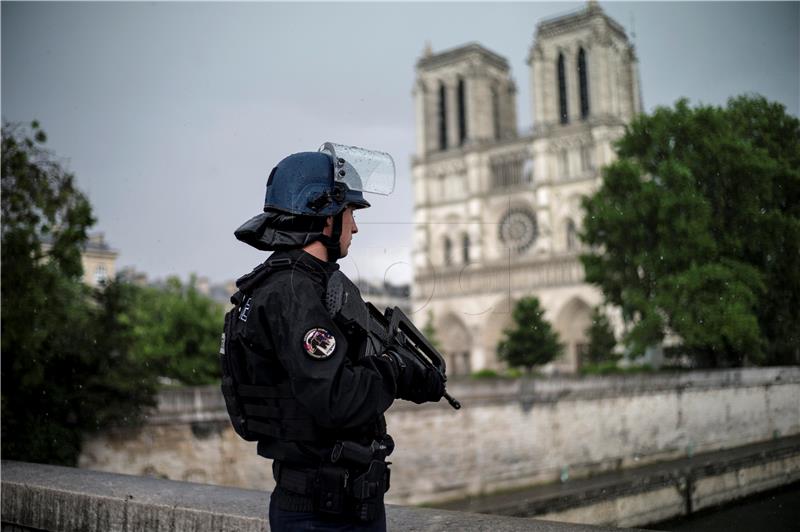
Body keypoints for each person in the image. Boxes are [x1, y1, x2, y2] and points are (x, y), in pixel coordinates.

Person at [228, 143, 446, 531]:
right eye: (350, 213)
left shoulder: (286, 283)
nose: (356, 227)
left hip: (324, 502)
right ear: (325, 217)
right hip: (325, 513)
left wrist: (403, 374)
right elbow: (337, 399)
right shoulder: (296, 291)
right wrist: (395, 368)